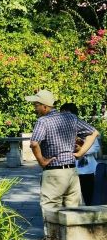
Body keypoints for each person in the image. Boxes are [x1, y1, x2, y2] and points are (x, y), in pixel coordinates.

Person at [25, 89, 98, 217]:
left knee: (51, 213)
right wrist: (80, 153)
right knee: (73, 214)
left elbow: (34, 143)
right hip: (72, 173)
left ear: (45, 106)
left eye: (36, 105)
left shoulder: (43, 121)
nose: (35, 108)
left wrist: (42, 161)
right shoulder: (71, 117)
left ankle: (53, 232)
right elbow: (94, 133)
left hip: (54, 173)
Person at [60, 102, 101, 205]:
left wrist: (81, 150)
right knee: (71, 201)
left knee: (89, 198)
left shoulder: (85, 129)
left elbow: (96, 147)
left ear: (73, 115)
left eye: (66, 114)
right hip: (69, 169)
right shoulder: (60, 130)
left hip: (87, 171)